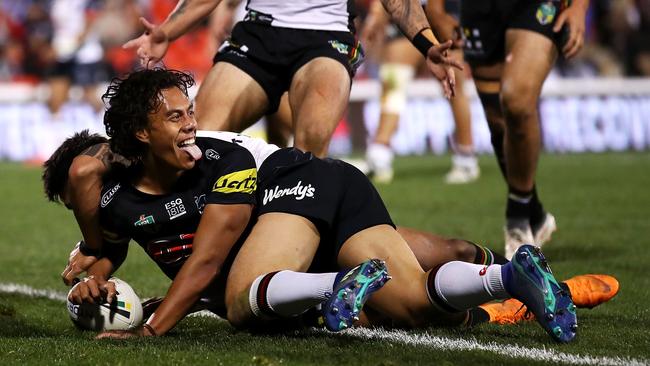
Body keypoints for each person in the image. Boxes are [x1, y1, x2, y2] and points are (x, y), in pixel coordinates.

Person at [53, 69, 579, 342]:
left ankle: (337, 286)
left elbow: (208, 262)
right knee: (419, 301)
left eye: (191, 112)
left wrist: (150, 329)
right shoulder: (118, 197)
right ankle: (508, 278)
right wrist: (91, 269)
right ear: (140, 135)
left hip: (296, 186)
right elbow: (102, 227)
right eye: (177, 117)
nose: (191, 123)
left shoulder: (225, 158)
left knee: (242, 303)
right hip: (324, 204)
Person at [121, 0, 462, 158]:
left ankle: (297, 264)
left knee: (309, 153)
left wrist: (426, 44)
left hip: (326, 38)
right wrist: (166, 32)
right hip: (260, 32)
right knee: (199, 142)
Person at [458, 0, 589, 258]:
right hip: (479, 11)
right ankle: (535, 214)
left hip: (538, 5)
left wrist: (579, 7)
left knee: (516, 102)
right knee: (498, 123)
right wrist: (437, 8)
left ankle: (517, 218)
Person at [361, 0, 479, 184]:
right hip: (407, 10)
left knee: (453, 84)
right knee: (393, 79)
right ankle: (379, 155)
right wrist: (376, 13)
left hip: (443, 10)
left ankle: (466, 156)